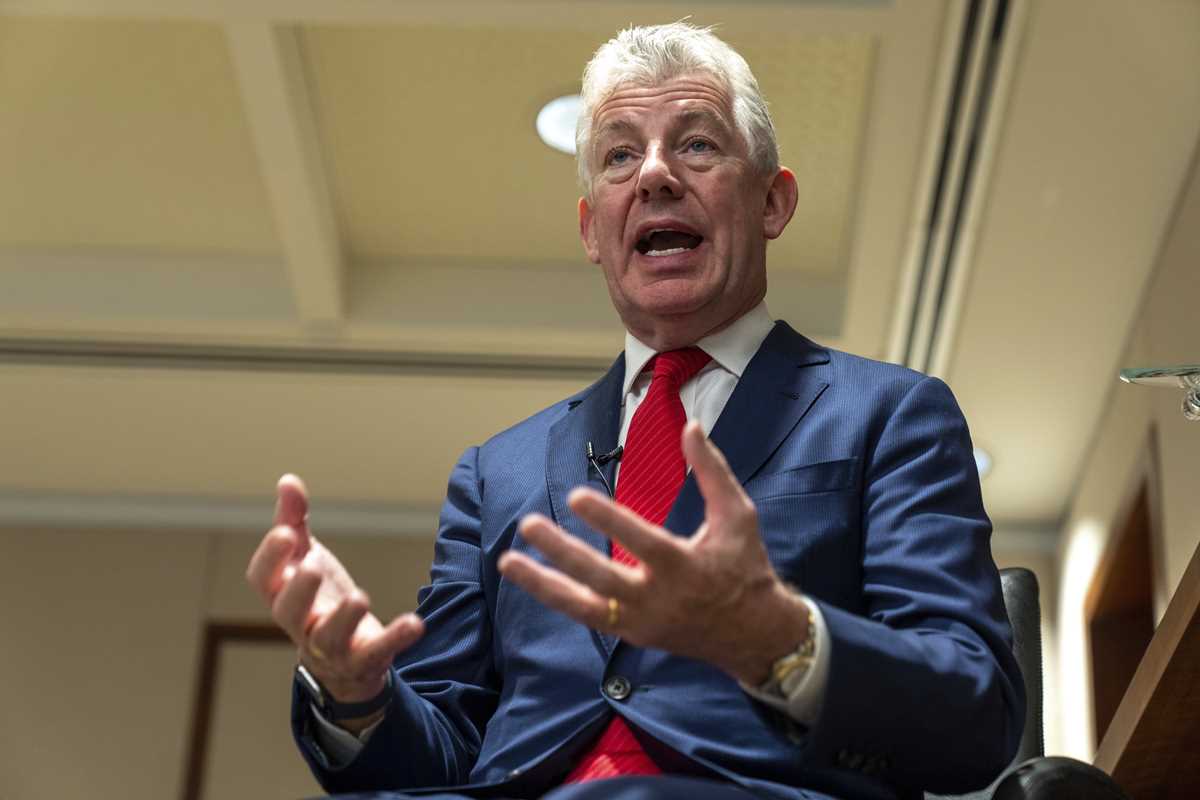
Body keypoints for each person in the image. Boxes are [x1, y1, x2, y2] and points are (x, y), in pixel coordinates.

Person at [246, 22, 1024, 800]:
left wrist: (776, 638)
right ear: (593, 230)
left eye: (697, 145)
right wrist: (355, 695)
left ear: (773, 202)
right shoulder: (496, 473)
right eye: (620, 156)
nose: (654, 174)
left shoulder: (888, 414)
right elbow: (438, 762)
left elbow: (975, 712)